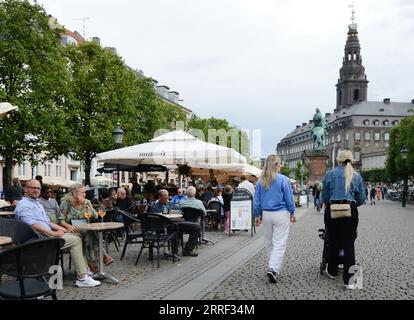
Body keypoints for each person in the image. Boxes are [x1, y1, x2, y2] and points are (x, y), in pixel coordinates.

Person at [14, 179, 101, 287]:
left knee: (78, 236)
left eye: (38, 188)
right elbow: (32, 225)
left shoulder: (37, 203)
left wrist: (65, 229)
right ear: (25, 189)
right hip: (37, 239)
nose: (36, 190)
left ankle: (84, 272)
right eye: (33, 188)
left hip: (45, 236)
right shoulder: (24, 205)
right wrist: (53, 233)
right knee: (76, 239)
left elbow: (48, 222)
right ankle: (82, 277)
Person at [321, 150, 365, 290]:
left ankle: (332, 271)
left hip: (333, 209)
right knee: (348, 244)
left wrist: (333, 205)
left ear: (339, 160)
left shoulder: (330, 174)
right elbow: (361, 198)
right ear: (351, 161)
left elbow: (325, 196)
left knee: (333, 240)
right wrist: (350, 205)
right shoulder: (356, 176)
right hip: (350, 210)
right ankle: (350, 281)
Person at [253, 155, 296, 284]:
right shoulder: (283, 179)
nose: (281, 166)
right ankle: (273, 268)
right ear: (276, 165)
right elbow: (289, 199)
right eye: (280, 164)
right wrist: (292, 212)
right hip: (281, 214)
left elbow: (257, 200)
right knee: (279, 243)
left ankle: (272, 267)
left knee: (269, 242)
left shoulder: (261, 181)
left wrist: (257, 215)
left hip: (266, 214)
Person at [59, 184, 113, 273]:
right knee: (90, 234)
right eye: (82, 192)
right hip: (73, 230)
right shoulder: (66, 204)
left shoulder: (86, 202)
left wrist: (89, 209)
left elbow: (95, 216)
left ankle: (92, 264)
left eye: (85, 192)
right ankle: (102, 256)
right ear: (74, 193)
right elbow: (60, 219)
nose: (85, 194)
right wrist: (69, 226)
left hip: (85, 228)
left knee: (89, 235)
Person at [151, 189, 201, 257]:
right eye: (164, 198)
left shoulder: (170, 204)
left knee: (196, 227)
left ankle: (188, 250)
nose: (166, 199)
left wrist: (172, 212)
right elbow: (155, 217)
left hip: (178, 222)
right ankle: (174, 251)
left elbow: (180, 212)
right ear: (159, 197)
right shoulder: (155, 207)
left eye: (167, 197)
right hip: (166, 225)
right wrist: (166, 213)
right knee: (173, 228)